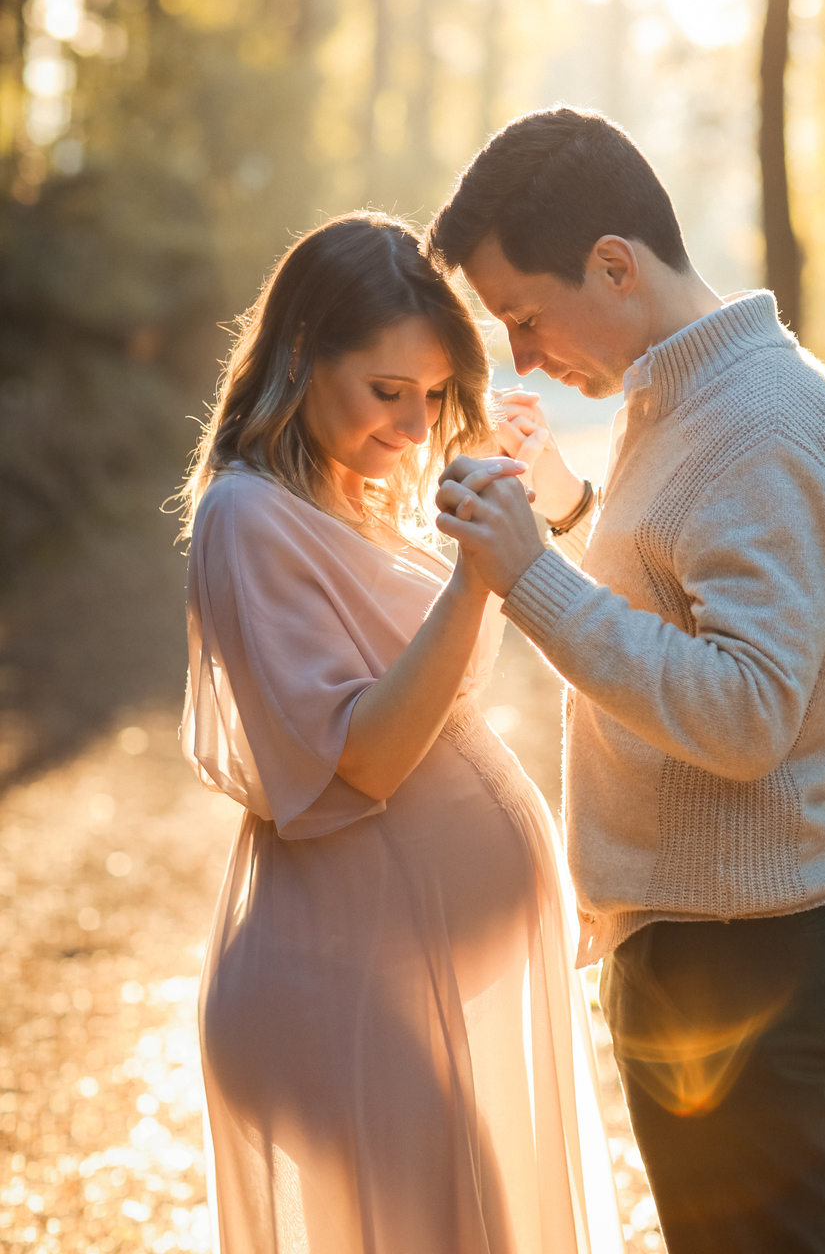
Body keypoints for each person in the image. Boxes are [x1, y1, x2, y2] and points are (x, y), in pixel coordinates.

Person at [427, 108, 825, 1254]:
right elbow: (682, 593)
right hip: (705, 933)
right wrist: (568, 505)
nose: (521, 357)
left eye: (524, 317)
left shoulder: (760, 422)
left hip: (745, 951)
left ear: (614, 265)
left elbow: (745, 711)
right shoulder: (685, 395)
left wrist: (532, 579)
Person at [178, 211, 622, 1254]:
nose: (417, 430)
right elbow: (367, 756)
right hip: (343, 994)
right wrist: (476, 576)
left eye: (434, 395)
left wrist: (516, 483)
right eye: (388, 391)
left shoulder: (350, 496)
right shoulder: (248, 517)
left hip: (398, 982)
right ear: (301, 351)